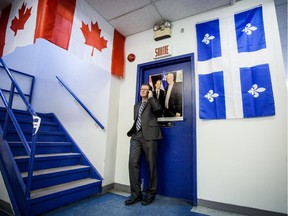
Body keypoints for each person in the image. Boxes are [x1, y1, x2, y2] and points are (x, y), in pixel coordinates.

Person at [126, 83, 162, 206]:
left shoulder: (153, 102)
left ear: (150, 92)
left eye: (146, 89)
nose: (143, 91)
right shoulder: (136, 106)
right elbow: (136, 120)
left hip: (150, 136)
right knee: (132, 162)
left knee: (151, 164)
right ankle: (136, 194)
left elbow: (158, 110)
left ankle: (151, 194)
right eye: (142, 89)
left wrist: (151, 98)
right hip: (136, 136)